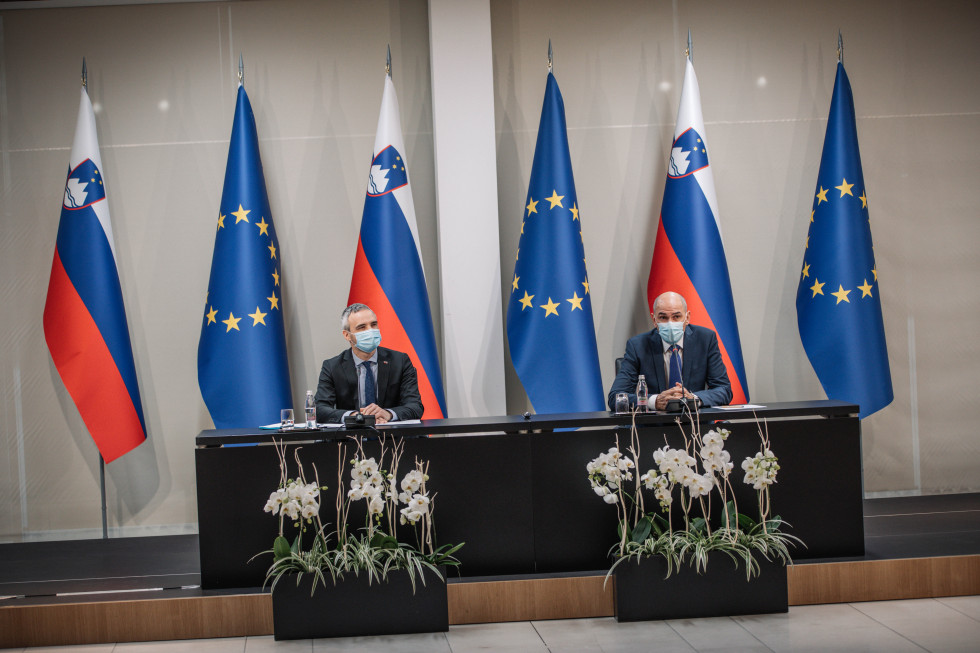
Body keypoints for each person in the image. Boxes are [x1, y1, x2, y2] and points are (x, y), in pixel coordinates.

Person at [607, 291, 732, 411]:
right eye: (663, 317)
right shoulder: (637, 345)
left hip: (696, 425)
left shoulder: (705, 339)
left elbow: (724, 390)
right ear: (654, 320)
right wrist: (654, 401)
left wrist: (693, 399)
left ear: (687, 317)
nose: (670, 323)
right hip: (653, 427)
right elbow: (616, 397)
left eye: (676, 316)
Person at [314, 303, 424, 424]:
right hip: (351, 439)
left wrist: (387, 414)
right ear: (347, 335)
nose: (370, 330)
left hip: (392, 438)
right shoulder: (332, 367)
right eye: (362, 327)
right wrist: (355, 416)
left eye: (373, 324)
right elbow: (319, 410)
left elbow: (415, 406)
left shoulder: (400, 361)